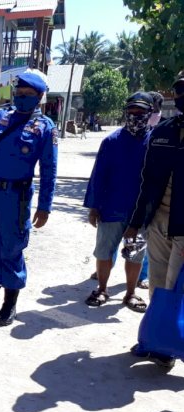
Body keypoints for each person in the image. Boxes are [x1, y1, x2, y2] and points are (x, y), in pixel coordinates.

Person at [0, 69, 58, 326]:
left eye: (28, 94)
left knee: (11, 248)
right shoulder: (0, 117)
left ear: (39, 97)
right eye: (19, 93)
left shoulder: (44, 128)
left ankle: (9, 304)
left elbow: (49, 169)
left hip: (17, 198)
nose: (22, 97)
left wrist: (45, 206)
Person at [125, 70, 184, 369]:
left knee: (177, 287)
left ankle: (172, 344)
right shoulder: (162, 132)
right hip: (159, 221)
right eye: (180, 88)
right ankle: (155, 342)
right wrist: (135, 223)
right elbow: (146, 183)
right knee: (158, 283)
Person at [82, 92, 154, 312]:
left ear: (149, 114)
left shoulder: (156, 142)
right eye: (131, 111)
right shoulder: (111, 141)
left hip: (140, 213)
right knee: (104, 252)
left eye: (140, 112)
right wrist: (94, 207)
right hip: (111, 209)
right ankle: (102, 289)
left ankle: (130, 294)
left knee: (135, 254)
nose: (135, 116)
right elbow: (98, 175)